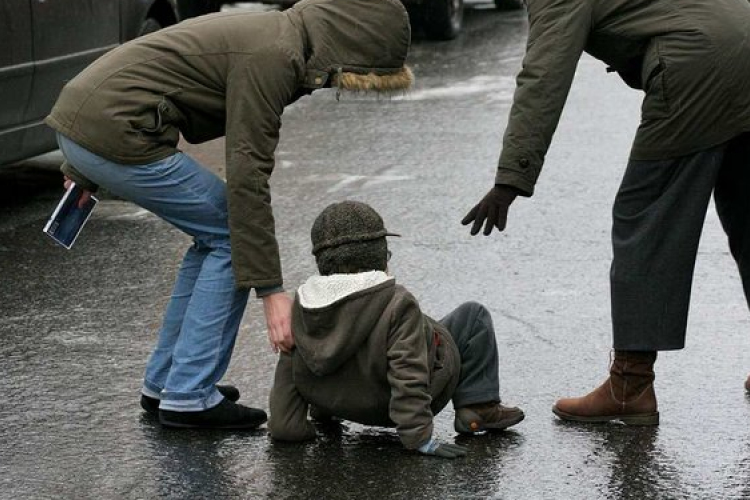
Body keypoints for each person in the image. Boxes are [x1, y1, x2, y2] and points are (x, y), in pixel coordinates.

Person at [45, 0, 413, 429]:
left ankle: (168, 382)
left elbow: (139, 73)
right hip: (115, 131)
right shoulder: (275, 57)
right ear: (348, 46)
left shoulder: (276, 33)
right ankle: (189, 394)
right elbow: (247, 173)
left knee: (215, 233)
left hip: (89, 125)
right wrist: (272, 292)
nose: (338, 86)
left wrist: (82, 165)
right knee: (231, 234)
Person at [462, 0, 750, 424]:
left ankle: (630, 385)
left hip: (698, 60)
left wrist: (511, 179)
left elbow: (545, 75)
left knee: (646, 217)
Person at [268, 200, 524, 457]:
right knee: (472, 316)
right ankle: (478, 407)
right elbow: (408, 374)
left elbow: (287, 399)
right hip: (390, 407)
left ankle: (325, 412)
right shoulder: (398, 304)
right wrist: (420, 438)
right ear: (378, 254)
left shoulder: (301, 306)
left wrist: (291, 428)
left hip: (335, 401)